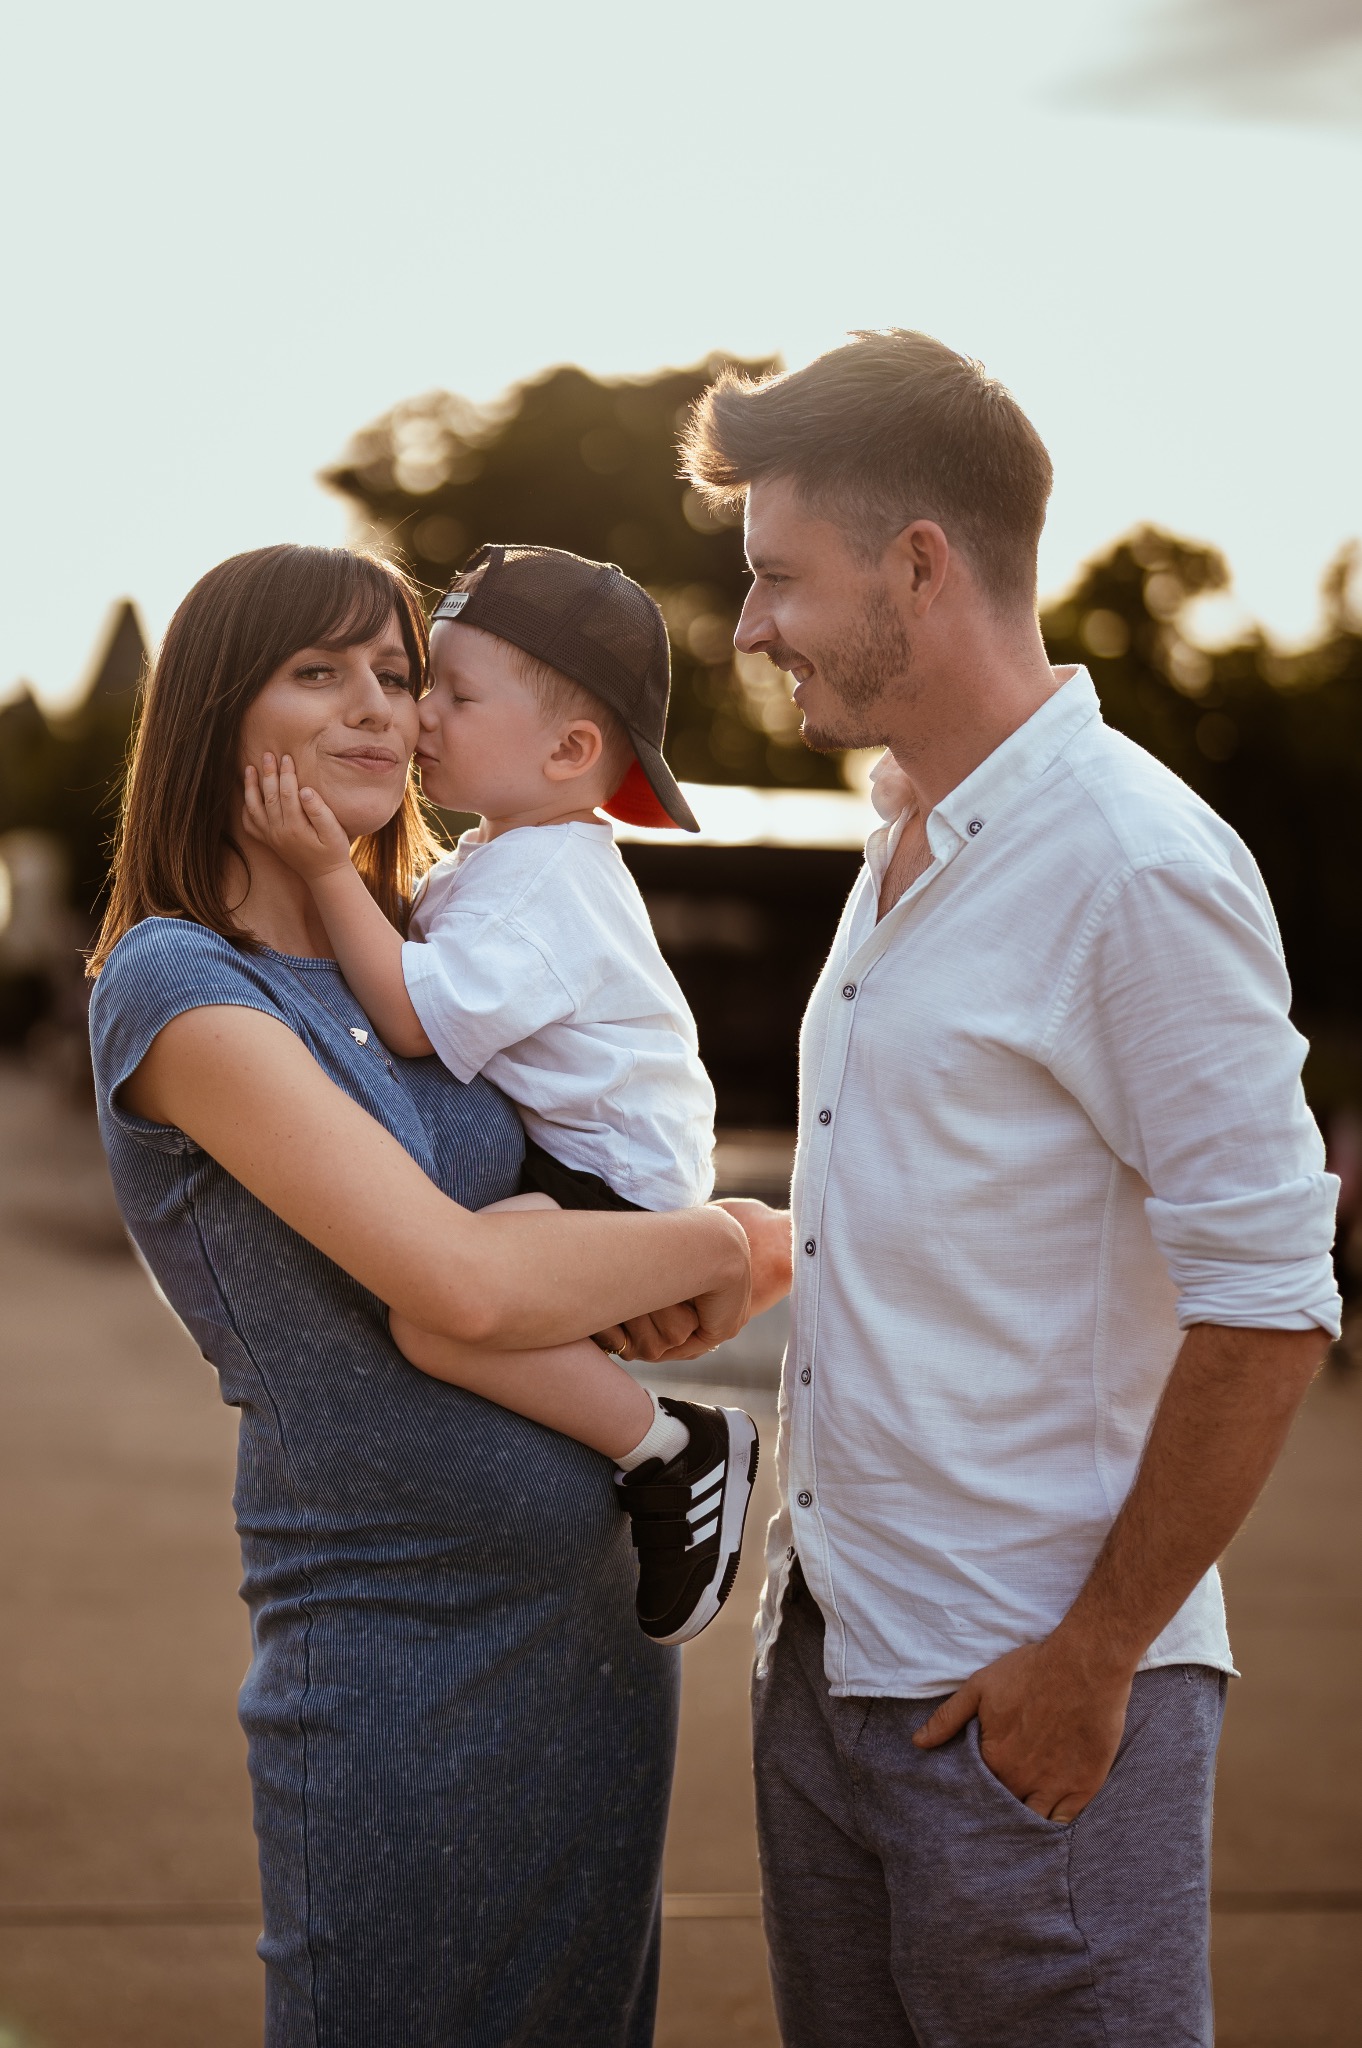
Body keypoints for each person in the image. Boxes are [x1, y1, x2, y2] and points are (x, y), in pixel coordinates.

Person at [681, 330, 1343, 2047]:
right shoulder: (903, 829)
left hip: (1020, 1705)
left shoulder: (1132, 867)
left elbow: (1272, 1300)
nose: (750, 628)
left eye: (775, 578)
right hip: (831, 1661)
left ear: (920, 563)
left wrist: (1093, 1655)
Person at [85, 543, 783, 2047]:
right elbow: (457, 1277)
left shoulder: (424, 943)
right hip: (399, 1653)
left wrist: (671, 1270)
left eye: (399, 678)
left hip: (589, 1633)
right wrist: (726, 1243)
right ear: (218, 709)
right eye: (319, 673)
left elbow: (574, 1218)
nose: (379, 714)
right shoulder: (181, 985)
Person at [240, 542, 759, 1646]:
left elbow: (415, 1016)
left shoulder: (544, 882)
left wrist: (329, 867)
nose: (418, 717)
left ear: (570, 747)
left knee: (440, 1316)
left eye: (453, 694)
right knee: (454, 1297)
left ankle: (670, 1447)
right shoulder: (511, 855)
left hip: (611, 1179)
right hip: (592, 1167)